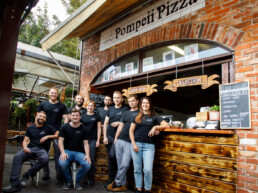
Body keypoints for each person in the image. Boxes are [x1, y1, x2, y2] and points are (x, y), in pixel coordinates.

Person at [2, 111, 58, 193]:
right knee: (17, 157)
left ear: (45, 119)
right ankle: (14, 184)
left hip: (42, 150)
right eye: (40, 116)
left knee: (45, 159)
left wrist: (47, 136)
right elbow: (25, 140)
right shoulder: (30, 128)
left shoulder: (48, 127)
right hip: (30, 148)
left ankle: (27, 175)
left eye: (44, 117)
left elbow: (58, 134)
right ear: (36, 117)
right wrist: (25, 147)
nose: (42, 118)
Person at [129, 97, 169, 193]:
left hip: (149, 146)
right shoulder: (136, 116)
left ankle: (147, 189)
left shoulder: (155, 117)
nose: (145, 105)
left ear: (150, 105)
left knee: (147, 169)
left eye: (147, 103)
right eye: (143, 103)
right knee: (137, 169)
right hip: (136, 144)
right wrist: (133, 144)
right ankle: (139, 188)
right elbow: (131, 131)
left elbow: (167, 125)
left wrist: (156, 127)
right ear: (141, 105)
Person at [107, 94, 139, 192]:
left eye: (133, 101)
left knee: (125, 164)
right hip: (120, 140)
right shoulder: (125, 112)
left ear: (137, 101)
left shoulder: (141, 113)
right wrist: (116, 138)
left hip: (130, 142)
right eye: (129, 101)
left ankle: (116, 181)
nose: (131, 103)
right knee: (120, 164)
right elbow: (121, 126)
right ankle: (123, 185)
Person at [37, 87, 69, 181]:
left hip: (57, 133)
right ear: (49, 93)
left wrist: (64, 129)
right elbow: (38, 117)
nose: (53, 94)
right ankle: (46, 173)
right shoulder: (43, 104)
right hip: (44, 132)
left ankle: (59, 175)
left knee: (58, 154)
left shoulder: (61, 106)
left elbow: (66, 118)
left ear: (57, 94)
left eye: (55, 93)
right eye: (52, 93)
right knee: (44, 153)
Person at [58, 109, 91, 190]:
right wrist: (62, 152)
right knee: (62, 163)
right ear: (70, 116)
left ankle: (76, 180)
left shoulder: (84, 129)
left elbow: (86, 143)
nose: (75, 117)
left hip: (79, 153)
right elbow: (60, 141)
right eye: (73, 115)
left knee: (87, 165)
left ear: (80, 117)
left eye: (77, 115)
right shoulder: (64, 127)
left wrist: (87, 155)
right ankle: (67, 180)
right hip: (67, 151)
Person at [103, 91, 129, 187]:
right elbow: (105, 123)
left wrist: (119, 123)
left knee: (116, 158)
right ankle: (111, 180)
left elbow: (130, 122)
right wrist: (105, 136)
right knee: (111, 159)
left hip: (121, 138)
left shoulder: (126, 109)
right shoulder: (110, 109)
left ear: (122, 99)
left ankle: (119, 181)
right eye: (115, 98)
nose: (116, 99)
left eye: (118, 98)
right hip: (110, 136)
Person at [81, 100, 101, 186]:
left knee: (91, 159)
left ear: (94, 107)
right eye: (88, 106)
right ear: (86, 106)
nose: (90, 107)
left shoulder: (97, 116)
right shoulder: (82, 116)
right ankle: (84, 178)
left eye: (92, 106)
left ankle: (91, 178)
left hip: (93, 140)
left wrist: (98, 140)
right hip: (83, 140)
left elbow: (99, 128)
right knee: (84, 159)